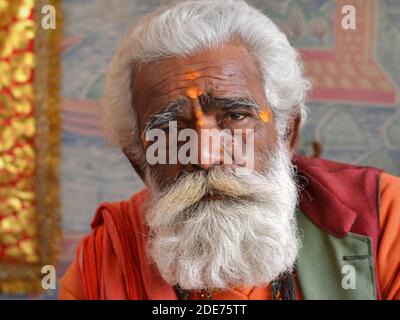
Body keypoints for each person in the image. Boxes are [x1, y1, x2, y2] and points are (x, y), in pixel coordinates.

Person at [59, 0, 400, 300]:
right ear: (140, 162)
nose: (206, 155)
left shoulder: (383, 218)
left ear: (286, 133)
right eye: (171, 130)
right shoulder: (106, 259)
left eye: (236, 116)